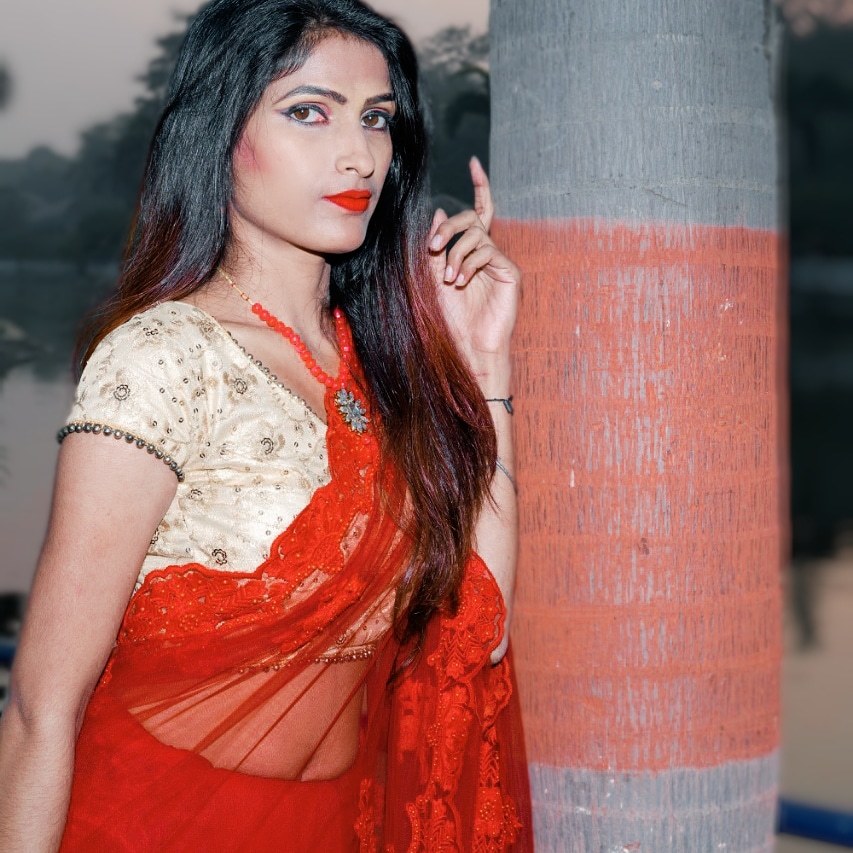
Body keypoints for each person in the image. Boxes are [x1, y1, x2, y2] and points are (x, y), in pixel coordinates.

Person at [0, 0, 532, 849]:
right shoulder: (167, 357)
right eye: (308, 112)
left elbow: (483, 629)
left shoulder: (383, 363)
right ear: (221, 133)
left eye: (376, 118)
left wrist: (483, 366)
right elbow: (41, 706)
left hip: (333, 827)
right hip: (152, 823)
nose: (357, 154)